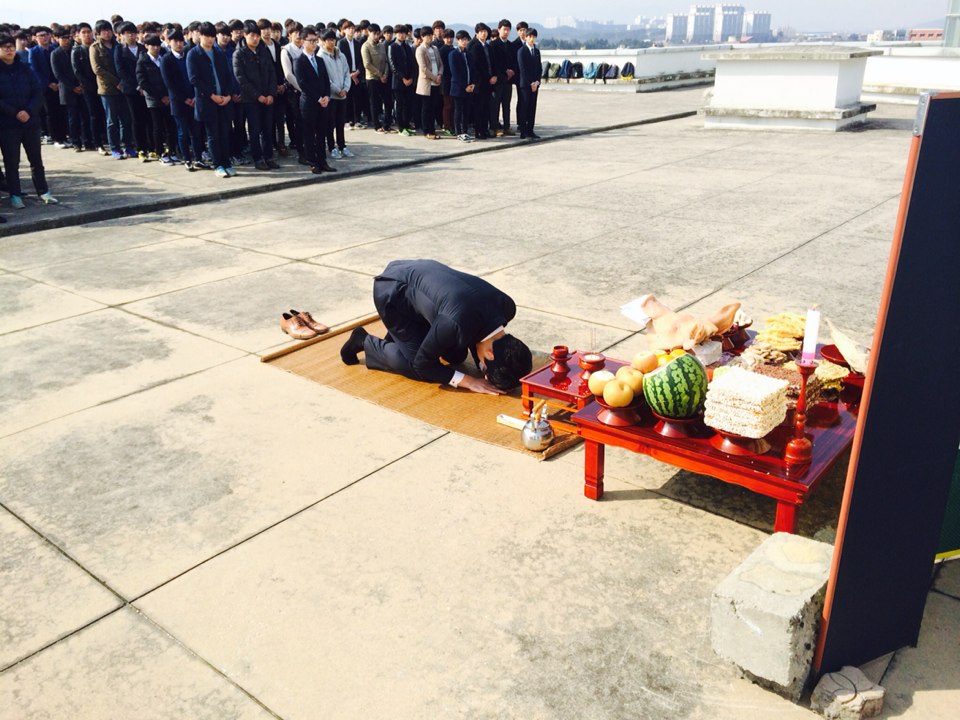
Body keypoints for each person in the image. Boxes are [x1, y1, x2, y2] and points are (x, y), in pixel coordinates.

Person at [340, 259, 532, 395]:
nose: (482, 371)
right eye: (484, 369)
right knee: (418, 368)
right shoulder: (455, 323)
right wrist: (469, 381)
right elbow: (423, 364)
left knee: (456, 357)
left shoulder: (506, 307)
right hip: (392, 292)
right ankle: (364, 341)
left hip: (423, 281)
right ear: (490, 354)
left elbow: (479, 330)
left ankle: (403, 337)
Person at [0, 33, 58, 208]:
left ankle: (43, 191)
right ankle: (15, 194)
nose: (9, 50)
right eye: (4, 47)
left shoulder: (25, 68)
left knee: (36, 160)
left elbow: (37, 92)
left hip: (30, 121)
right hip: (8, 124)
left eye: (11, 46)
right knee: (12, 162)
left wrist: (29, 111)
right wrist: (15, 113)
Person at [187, 22, 235, 178]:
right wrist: (212, 95)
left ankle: (227, 163)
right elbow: (194, 79)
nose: (210, 39)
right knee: (213, 135)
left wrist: (228, 95)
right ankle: (218, 164)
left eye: (212, 36)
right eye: (207, 36)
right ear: (200, 36)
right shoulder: (193, 54)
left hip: (223, 100)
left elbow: (228, 76)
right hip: (207, 101)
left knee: (224, 134)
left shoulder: (219, 53)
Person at [233, 20, 277, 171]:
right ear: (245, 35)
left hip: (267, 97)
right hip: (251, 100)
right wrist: (258, 96)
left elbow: (272, 73)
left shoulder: (264, 51)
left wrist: (271, 94)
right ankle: (258, 158)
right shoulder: (239, 54)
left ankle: (269, 157)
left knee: (268, 129)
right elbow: (241, 79)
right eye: (252, 35)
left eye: (257, 36)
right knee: (255, 130)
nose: (255, 38)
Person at [159, 29, 205, 170]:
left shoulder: (189, 55)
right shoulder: (166, 59)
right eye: (175, 41)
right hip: (179, 102)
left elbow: (196, 77)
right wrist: (185, 99)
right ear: (169, 42)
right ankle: (187, 159)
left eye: (181, 41)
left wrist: (195, 97)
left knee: (196, 133)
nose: (179, 44)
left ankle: (198, 159)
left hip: (194, 100)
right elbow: (169, 83)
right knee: (183, 132)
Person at [294, 26, 335, 174]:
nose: (313, 43)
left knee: (322, 132)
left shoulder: (320, 60)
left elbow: (326, 80)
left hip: (323, 102)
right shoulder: (299, 61)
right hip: (309, 103)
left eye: (315, 40)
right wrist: (318, 98)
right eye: (310, 40)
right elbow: (302, 83)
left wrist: (326, 96)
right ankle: (312, 162)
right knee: (309, 134)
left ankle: (322, 161)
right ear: (302, 41)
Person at [135, 33, 175, 163]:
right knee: (157, 127)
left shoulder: (164, 58)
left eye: (158, 45)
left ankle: (172, 150)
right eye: (153, 45)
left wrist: (168, 95)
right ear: (146, 46)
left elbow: (171, 77)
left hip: (168, 97)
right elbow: (143, 82)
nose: (156, 48)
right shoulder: (142, 61)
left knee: (170, 126)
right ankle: (160, 152)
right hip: (154, 99)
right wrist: (160, 96)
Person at [50, 27, 88, 152]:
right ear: (57, 39)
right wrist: (73, 87)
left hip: (81, 87)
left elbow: (81, 69)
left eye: (68, 37)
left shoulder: (75, 50)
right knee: (73, 118)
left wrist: (81, 84)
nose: (66, 40)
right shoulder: (55, 53)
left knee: (84, 116)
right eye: (63, 38)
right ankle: (76, 142)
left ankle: (87, 140)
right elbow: (58, 74)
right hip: (67, 90)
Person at [71, 22, 107, 153]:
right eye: (83, 32)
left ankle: (105, 138)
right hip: (88, 88)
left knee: (103, 114)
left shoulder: (98, 47)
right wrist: (89, 85)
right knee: (93, 115)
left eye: (88, 32)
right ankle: (96, 143)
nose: (87, 35)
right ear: (78, 35)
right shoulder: (77, 51)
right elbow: (77, 71)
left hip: (102, 85)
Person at [319, 28, 352, 160]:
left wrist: (346, 88)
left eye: (333, 39)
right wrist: (337, 90)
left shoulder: (341, 55)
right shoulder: (321, 56)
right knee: (330, 123)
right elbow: (326, 78)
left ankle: (342, 146)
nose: (331, 42)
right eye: (328, 40)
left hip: (343, 95)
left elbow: (347, 73)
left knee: (340, 122)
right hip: (331, 95)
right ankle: (332, 147)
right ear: (323, 41)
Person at [361, 23, 390, 133]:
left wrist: (385, 74)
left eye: (378, 33)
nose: (376, 36)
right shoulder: (365, 46)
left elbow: (386, 61)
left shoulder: (382, 45)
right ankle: (376, 125)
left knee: (388, 101)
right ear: (369, 33)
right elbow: (367, 64)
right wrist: (380, 74)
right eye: (374, 33)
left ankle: (387, 124)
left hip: (383, 77)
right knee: (374, 102)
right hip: (372, 78)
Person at [447, 30, 475, 142]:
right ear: (457, 40)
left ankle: (465, 131)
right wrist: (465, 86)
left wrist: (472, 84)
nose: (464, 42)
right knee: (458, 111)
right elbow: (455, 73)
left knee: (466, 111)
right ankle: (458, 132)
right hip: (458, 88)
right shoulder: (453, 54)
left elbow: (472, 70)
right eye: (462, 40)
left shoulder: (469, 54)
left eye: (466, 40)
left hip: (469, 87)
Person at [490, 20, 516, 136]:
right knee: (495, 105)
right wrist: (505, 70)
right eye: (504, 29)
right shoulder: (493, 45)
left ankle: (506, 127)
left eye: (508, 30)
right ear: (499, 29)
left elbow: (514, 61)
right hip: (498, 79)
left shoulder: (511, 45)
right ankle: (495, 128)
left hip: (508, 80)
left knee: (506, 105)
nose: (506, 32)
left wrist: (512, 70)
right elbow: (493, 62)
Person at [415, 26, 441, 140]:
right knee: (426, 108)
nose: (429, 37)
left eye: (431, 35)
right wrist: (434, 77)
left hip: (436, 83)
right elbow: (423, 68)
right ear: (422, 37)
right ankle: (427, 131)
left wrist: (439, 75)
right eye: (427, 35)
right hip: (426, 83)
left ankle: (432, 130)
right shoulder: (420, 49)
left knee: (434, 107)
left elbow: (441, 64)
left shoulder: (435, 48)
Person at [387, 24, 413, 136]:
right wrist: (403, 78)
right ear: (396, 34)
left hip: (409, 80)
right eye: (399, 33)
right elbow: (393, 66)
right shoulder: (392, 47)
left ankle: (406, 125)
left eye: (404, 33)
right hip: (398, 81)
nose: (402, 35)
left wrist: (411, 77)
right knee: (399, 105)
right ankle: (401, 127)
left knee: (407, 104)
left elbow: (412, 63)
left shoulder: (408, 47)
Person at [517, 28, 541, 140]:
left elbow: (539, 68)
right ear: (526, 37)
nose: (532, 39)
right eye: (530, 37)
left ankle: (530, 130)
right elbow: (522, 69)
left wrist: (537, 82)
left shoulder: (536, 51)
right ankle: (523, 131)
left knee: (532, 108)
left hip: (535, 85)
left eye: (534, 37)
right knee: (524, 107)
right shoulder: (521, 51)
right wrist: (530, 83)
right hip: (525, 85)